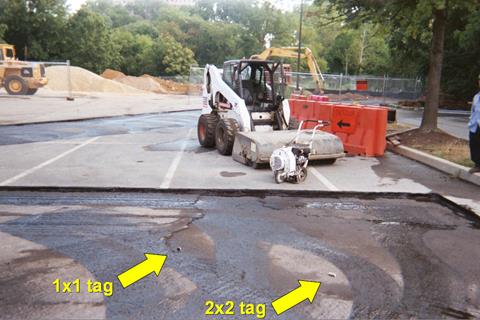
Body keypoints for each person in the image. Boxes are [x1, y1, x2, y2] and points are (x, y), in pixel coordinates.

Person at [468, 74, 480, 173]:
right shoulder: (476, 96)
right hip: (475, 125)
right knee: (474, 144)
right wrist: (471, 121)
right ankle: (477, 165)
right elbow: (473, 110)